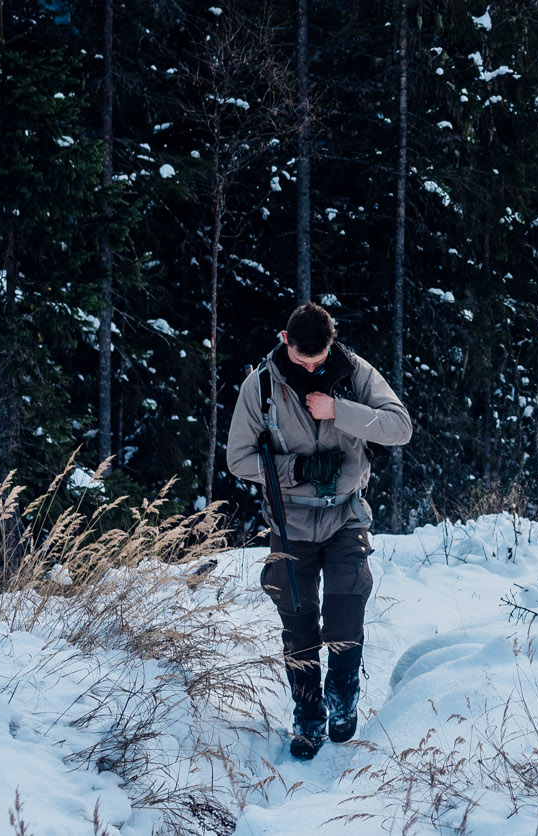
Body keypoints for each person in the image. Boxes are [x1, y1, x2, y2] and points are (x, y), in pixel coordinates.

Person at [227, 302, 412, 759]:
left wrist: (340, 410)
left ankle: (343, 699)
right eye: (303, 359)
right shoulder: (262, 385)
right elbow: (238, 458)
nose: (312, 366)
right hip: (288, 523)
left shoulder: (354, 372)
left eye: (320, 357)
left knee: (346, 612)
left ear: (332, 341)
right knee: (299, 625)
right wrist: (297, 468)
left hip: (347, 515)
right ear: (285, 340)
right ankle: (308, 719)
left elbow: (400, 427)